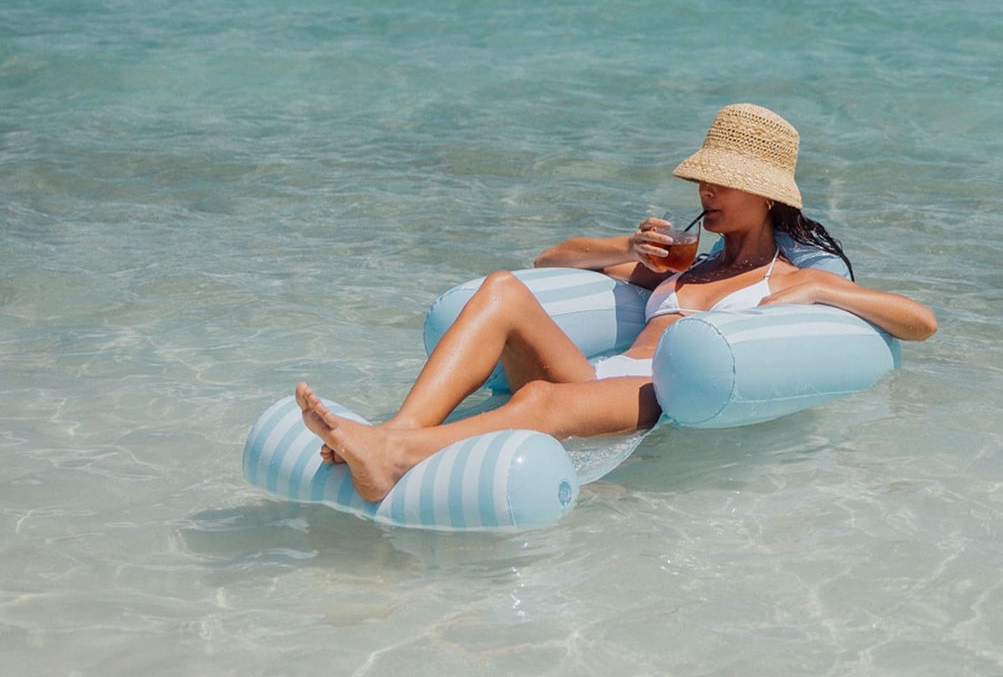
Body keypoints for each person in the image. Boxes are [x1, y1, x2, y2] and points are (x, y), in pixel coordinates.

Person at [296, 103, 936, 501]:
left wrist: (826, 287)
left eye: (725, 183)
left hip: (654, 400)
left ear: (767, 196)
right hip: (601, 380)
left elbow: (921, 323)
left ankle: (397, 455)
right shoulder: (690, 267)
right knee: (500, 287)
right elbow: (550, 259)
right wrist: (626, 245)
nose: (706, 192)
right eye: (704, 180)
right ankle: (397, 435)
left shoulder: (790, 280)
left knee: (538, 400)